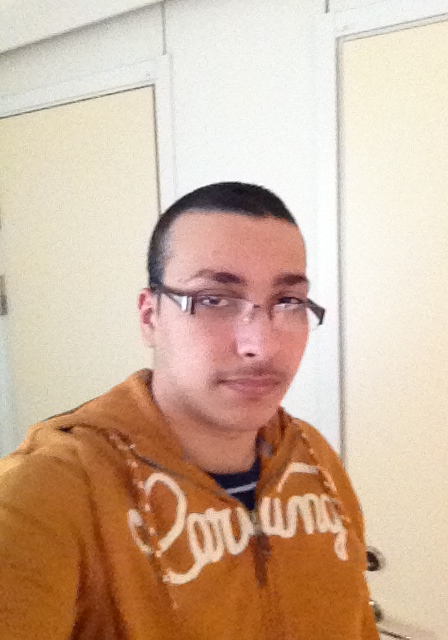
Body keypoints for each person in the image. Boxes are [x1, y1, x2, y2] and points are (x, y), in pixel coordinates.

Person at [0, 182, 379, 639]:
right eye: (213, 299)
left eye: (287, 301)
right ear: (150, 317)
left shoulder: (312, 456)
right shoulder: (50, 489)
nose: (260, 345)